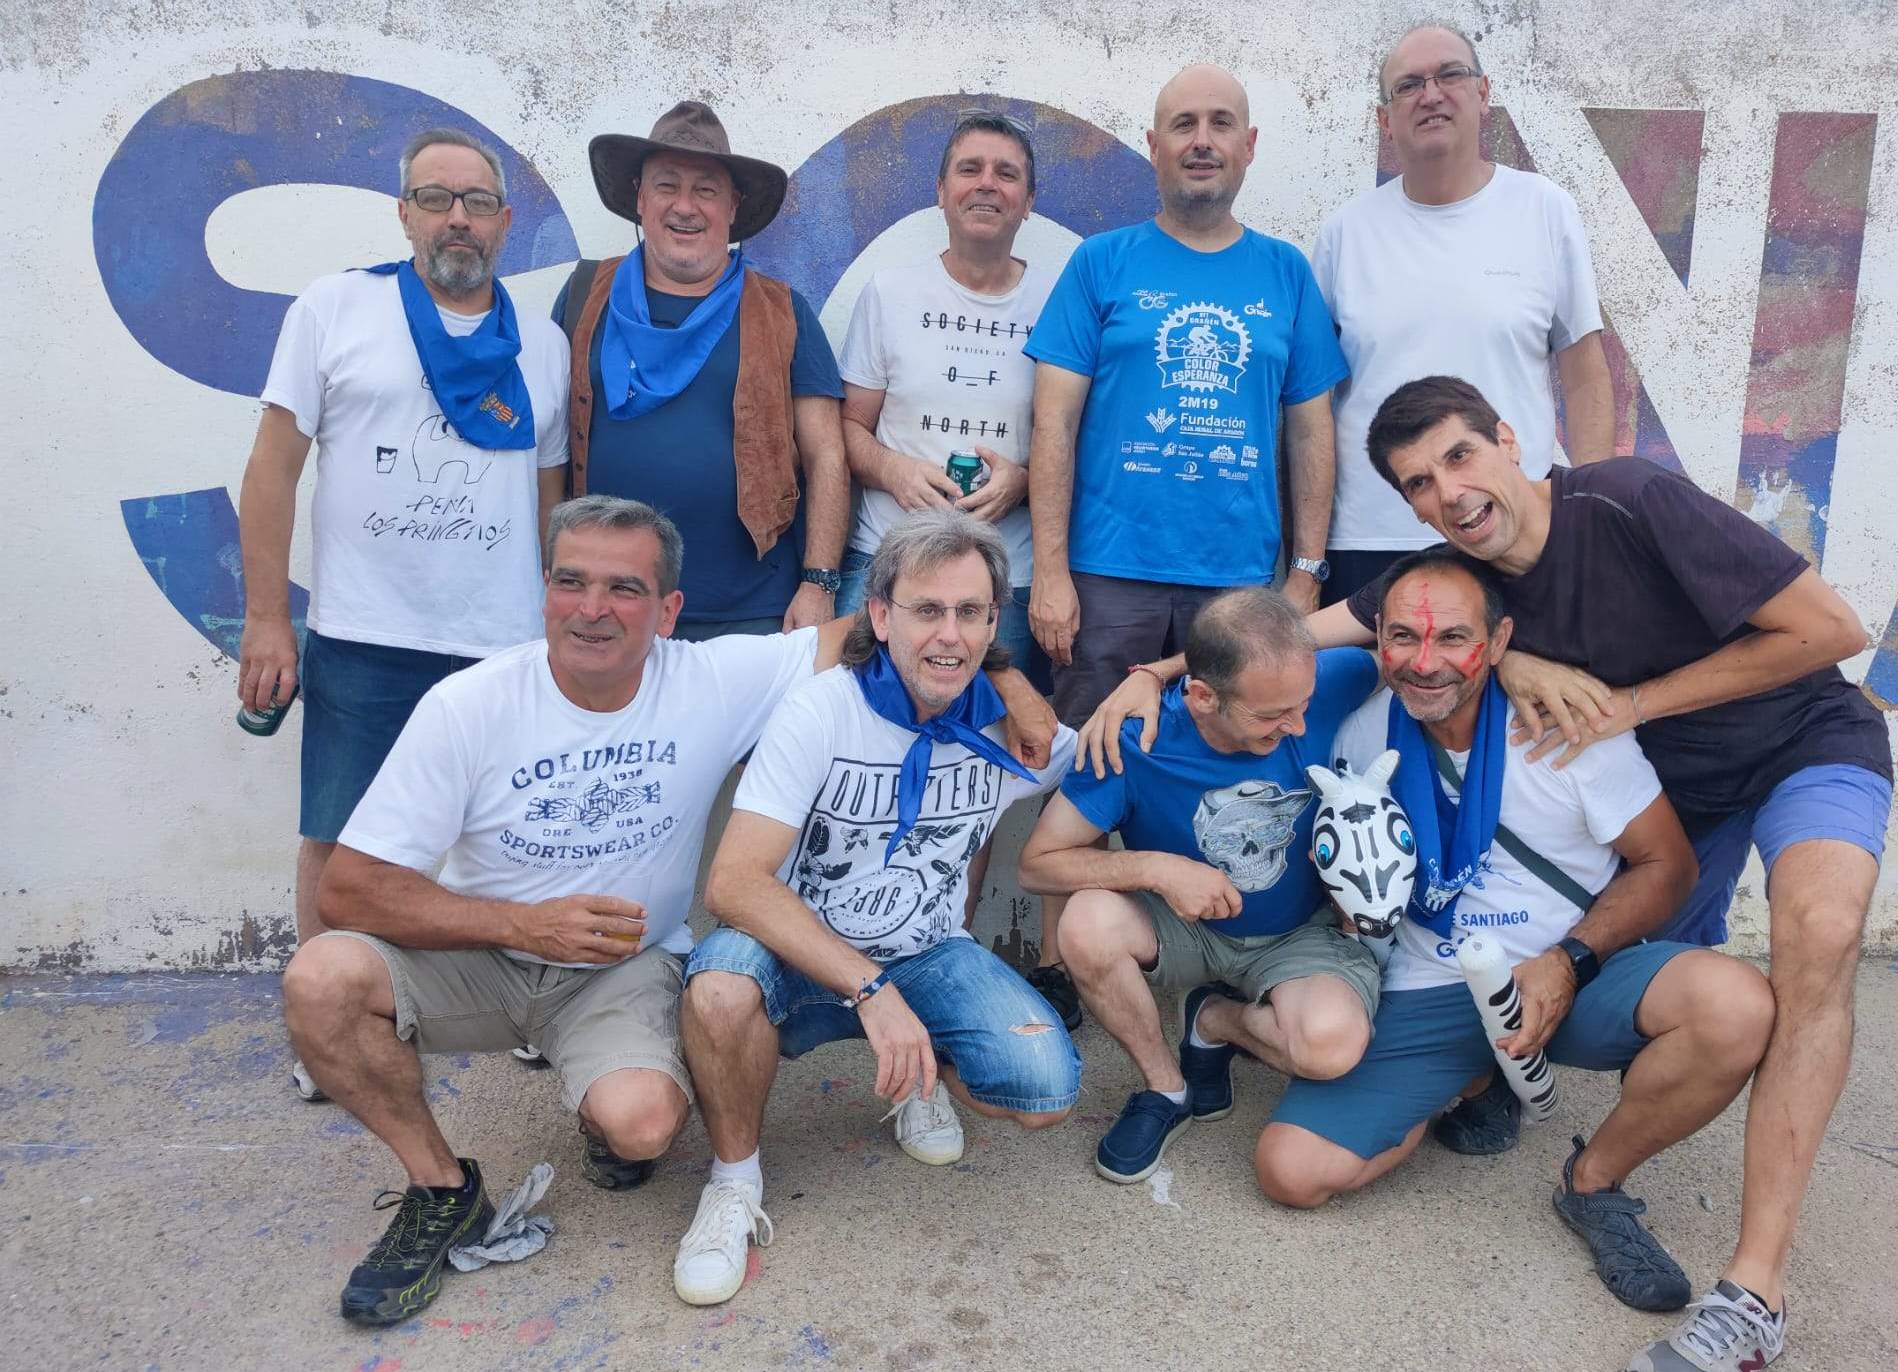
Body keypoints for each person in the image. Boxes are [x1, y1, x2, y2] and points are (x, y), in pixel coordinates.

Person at [280, 496, 1053, 1326]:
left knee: (643, 1126)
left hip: (620, 968)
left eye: (625, 589)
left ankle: (603, 1113)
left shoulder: (709, 681)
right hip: (480, 956)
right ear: (544, 590)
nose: (593, 609)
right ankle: (440, 1189)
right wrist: (518, 925)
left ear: (669, 609)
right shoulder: (469, 704)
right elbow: (349, 891)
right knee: (322, 978)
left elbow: (892, 626)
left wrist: (1007, 678)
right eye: (571, 582)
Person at [1355, 375, 1890, 1372]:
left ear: (1509, 440)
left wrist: (1633, 703)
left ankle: (1753, 1292)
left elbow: (1831, 628)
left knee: (1816, 940)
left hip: (1802, 742)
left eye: (1460, 456)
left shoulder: (1628, 499)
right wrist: (1152, 676)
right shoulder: (1464, 575)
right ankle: (1502, 1086)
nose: (1448, 491)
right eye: (1418, 483)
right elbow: (1341, 627)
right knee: (1631, 993)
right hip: (1676, 797)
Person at [1256, 548, 1774, 1337]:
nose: (1424, 662)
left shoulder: (1566, 729)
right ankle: (1467, 1081)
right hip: (1429, 983)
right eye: (1403, 637)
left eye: (1452, 638)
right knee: (1290, 1172)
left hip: (1569, 971)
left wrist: (1570, 961)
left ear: (1499, 642)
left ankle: (1593, 1182)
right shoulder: (1360, 734)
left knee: (1735, 1007)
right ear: (1378, 638)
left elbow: (1668, 867)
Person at [677, 509, 1080, 1308]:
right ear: (882, 616)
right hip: (794, 951)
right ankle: (733, 1182)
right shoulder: (822, 708)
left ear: (992, 625)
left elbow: (1125, 754)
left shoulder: (1016, 730)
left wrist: (1138, 684)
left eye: (970, 612)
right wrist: (871, 989)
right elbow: (734, 885)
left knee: (1044, 1088)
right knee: (718, 992)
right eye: (927, 609)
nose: (949, 634)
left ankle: (918, 1079)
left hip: (926, 951)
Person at [238, 127, 568, 1096]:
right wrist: (268, 618)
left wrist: (557, 629)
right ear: (404, 213)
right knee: (338, 838)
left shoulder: (543, 345)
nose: (457, 218)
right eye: (435, 198)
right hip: (365, 633)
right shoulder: (334, 308)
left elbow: (550, 501)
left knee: (513, 838)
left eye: (476, 202)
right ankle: (326, 1032)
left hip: (501, 639)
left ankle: (532, 1004)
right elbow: (272, 470)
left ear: (505, 221)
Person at [833, 109, 1076, 1026]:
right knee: (855, 765)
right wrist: (895, 470)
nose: (986, 185)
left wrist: (1025, 479)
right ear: (940, 190)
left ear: (1029, 201)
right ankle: (844, 965)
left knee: (971, 782)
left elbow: (1075, 434)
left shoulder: (1060, 303)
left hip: (1000, 587)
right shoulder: (889, 294)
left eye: (1006, 173)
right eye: (969, 169)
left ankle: (940, 961)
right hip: (888, 570)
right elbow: (847, 431)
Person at [1017, 590, 1381, 1184]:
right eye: (1271, 716)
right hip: (1184, 930)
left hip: (1299, 935)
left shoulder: (1320, 681)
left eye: (1304, 705)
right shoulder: (1133, 740)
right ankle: (1166, 1088)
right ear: (1203, 696)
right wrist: (1157, 869)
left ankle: (1213, 1021)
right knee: (1086, 923)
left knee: (1329, 1050)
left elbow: (1421, 665)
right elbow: (1037, 864)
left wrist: (1521, 665)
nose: (1298, 726)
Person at [1024, 64, 1347, 724]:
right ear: (1154, 146)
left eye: (1220, 124)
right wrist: (1050, 572)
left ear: (1248, 146)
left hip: (1238, 584)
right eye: (1183, 125)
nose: (1202, 141)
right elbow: (1053, 423)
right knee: (1095, 753)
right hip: (1107, 580)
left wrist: (1305, 573)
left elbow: (1312, 432)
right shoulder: (1100, 262)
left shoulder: (1286, 272)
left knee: (1222, 757)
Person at [1312, 23, 1614, 603]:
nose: (1431, 95)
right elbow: (1314, 405)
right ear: (1384, 119)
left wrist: (1590, 520)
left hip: (1509, 531)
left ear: (1483, 93)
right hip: (1370, 538)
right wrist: (1309, 552)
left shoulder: (1544, 209)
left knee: (1521, 666)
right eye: (1408, 85)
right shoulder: (1345, 234)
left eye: (1450, 75)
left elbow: (1585, 377)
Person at [553, 100, 849, 641]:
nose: (684, 206)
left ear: (732, 206)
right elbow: (547, 450)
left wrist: (819, 584)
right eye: (666, 185)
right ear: (639, 198)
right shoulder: (582, 296)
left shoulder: (783, 311)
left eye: (706, 190)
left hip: (750, 612)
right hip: (603, 605)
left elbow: (827, 454)